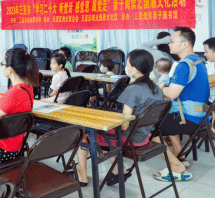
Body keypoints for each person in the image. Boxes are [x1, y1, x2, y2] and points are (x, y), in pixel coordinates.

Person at [76, 49, 164, 186]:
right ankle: (119, 170)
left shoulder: (132, 90)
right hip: (144, 136)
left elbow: (124, 125)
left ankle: (82, 176)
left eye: (127, 64)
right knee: (106, 133)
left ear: (134, 69)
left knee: (85, 133)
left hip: (130, 138)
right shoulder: (157, 88)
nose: (125, 67)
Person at [153, 27, 209, 182]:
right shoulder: (198, 61)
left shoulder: (184, 66)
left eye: (172, 41)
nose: (169, 45)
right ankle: (180, 154)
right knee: (168, 115)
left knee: (146, 129)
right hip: (202, 114)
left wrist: (162, 87)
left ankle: (176, 166)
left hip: (189, 118)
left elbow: (172, 94)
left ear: (184, 44)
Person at [203, 37, 215, 133]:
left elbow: (207, 81)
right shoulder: (209, 64)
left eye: (206, 51)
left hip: (209, 107)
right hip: (209, 104)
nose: (204, 54)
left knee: (188, 107)